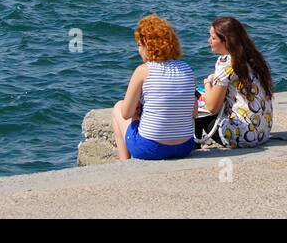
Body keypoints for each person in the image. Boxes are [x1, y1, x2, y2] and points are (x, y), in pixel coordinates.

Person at [111, 14, 196, 161]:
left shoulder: (143, 71)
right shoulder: (186, 68)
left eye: (139, 45)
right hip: (185, 146)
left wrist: (136, 112)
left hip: (151, 148)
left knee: (118, 108)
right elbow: (194, 112)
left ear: (148, 46)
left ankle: (124, 164)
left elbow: (126, 113)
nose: (139, 50)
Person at [198, 16, 274, 148]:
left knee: (196, 112)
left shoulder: (225, 63)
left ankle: (193, 146)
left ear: (226, 41)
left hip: (240, 136)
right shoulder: (253, 58)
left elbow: (212, 107)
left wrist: (207, 83)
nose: (209, 40)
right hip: (262, 132)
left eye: (213, 38)